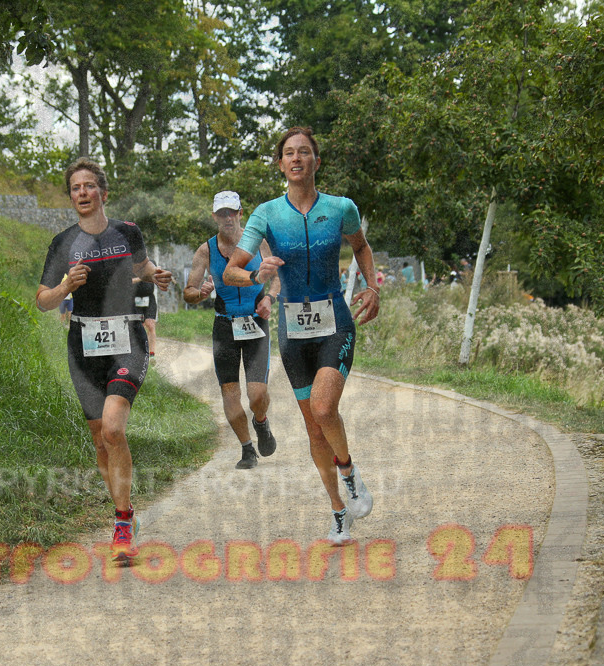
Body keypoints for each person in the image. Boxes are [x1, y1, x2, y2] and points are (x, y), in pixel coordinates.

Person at [223, 127, 380, 546]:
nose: (296, 158)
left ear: (316, 161)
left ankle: (349, 472)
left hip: (335, 322)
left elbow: (361, 247)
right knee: (314, 430)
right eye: (289, 153)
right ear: (281, 164)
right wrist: (256, 274)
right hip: (293, 333)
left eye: (304, 152)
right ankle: (339, 511)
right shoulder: (267, 214)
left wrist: (372, 286)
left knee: (325, 408)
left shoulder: (341, 207)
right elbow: (232, 270)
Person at [35, 157, 172, 563]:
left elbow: (143, 266)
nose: (82, 192)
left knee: (113, 428)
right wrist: (65, 287)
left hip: (127, 337)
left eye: (89, 185)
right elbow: (42, 301)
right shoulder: (62, 243)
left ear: (103, 193)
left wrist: (156, 275)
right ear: (71, 197)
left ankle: (123, 524)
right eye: (75, 188)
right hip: (83, 346)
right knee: (100, 439)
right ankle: (124, 514)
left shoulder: (127, 232)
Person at [183, 190, 280, 470]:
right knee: (230, 393)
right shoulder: (206, 250)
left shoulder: (258, 242)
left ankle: (261, 421)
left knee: (257, 394)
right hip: (225, 325)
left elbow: (277, 279)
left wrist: (269, 298)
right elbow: (188, 292)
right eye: (221, 213)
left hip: (255, 323)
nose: (227, 218)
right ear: (214, 217)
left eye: (231, 212)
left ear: (240, 213)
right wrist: (199, 293)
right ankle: (247, 448)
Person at [132, 275, 158, 356]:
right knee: (140, 327)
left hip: (149, 298)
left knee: (150, 325)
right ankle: (142, 352)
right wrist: (141, 278)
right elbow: (128, 282)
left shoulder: (150, 266)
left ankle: (152, 354)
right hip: (135, 299)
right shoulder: (130, 268)